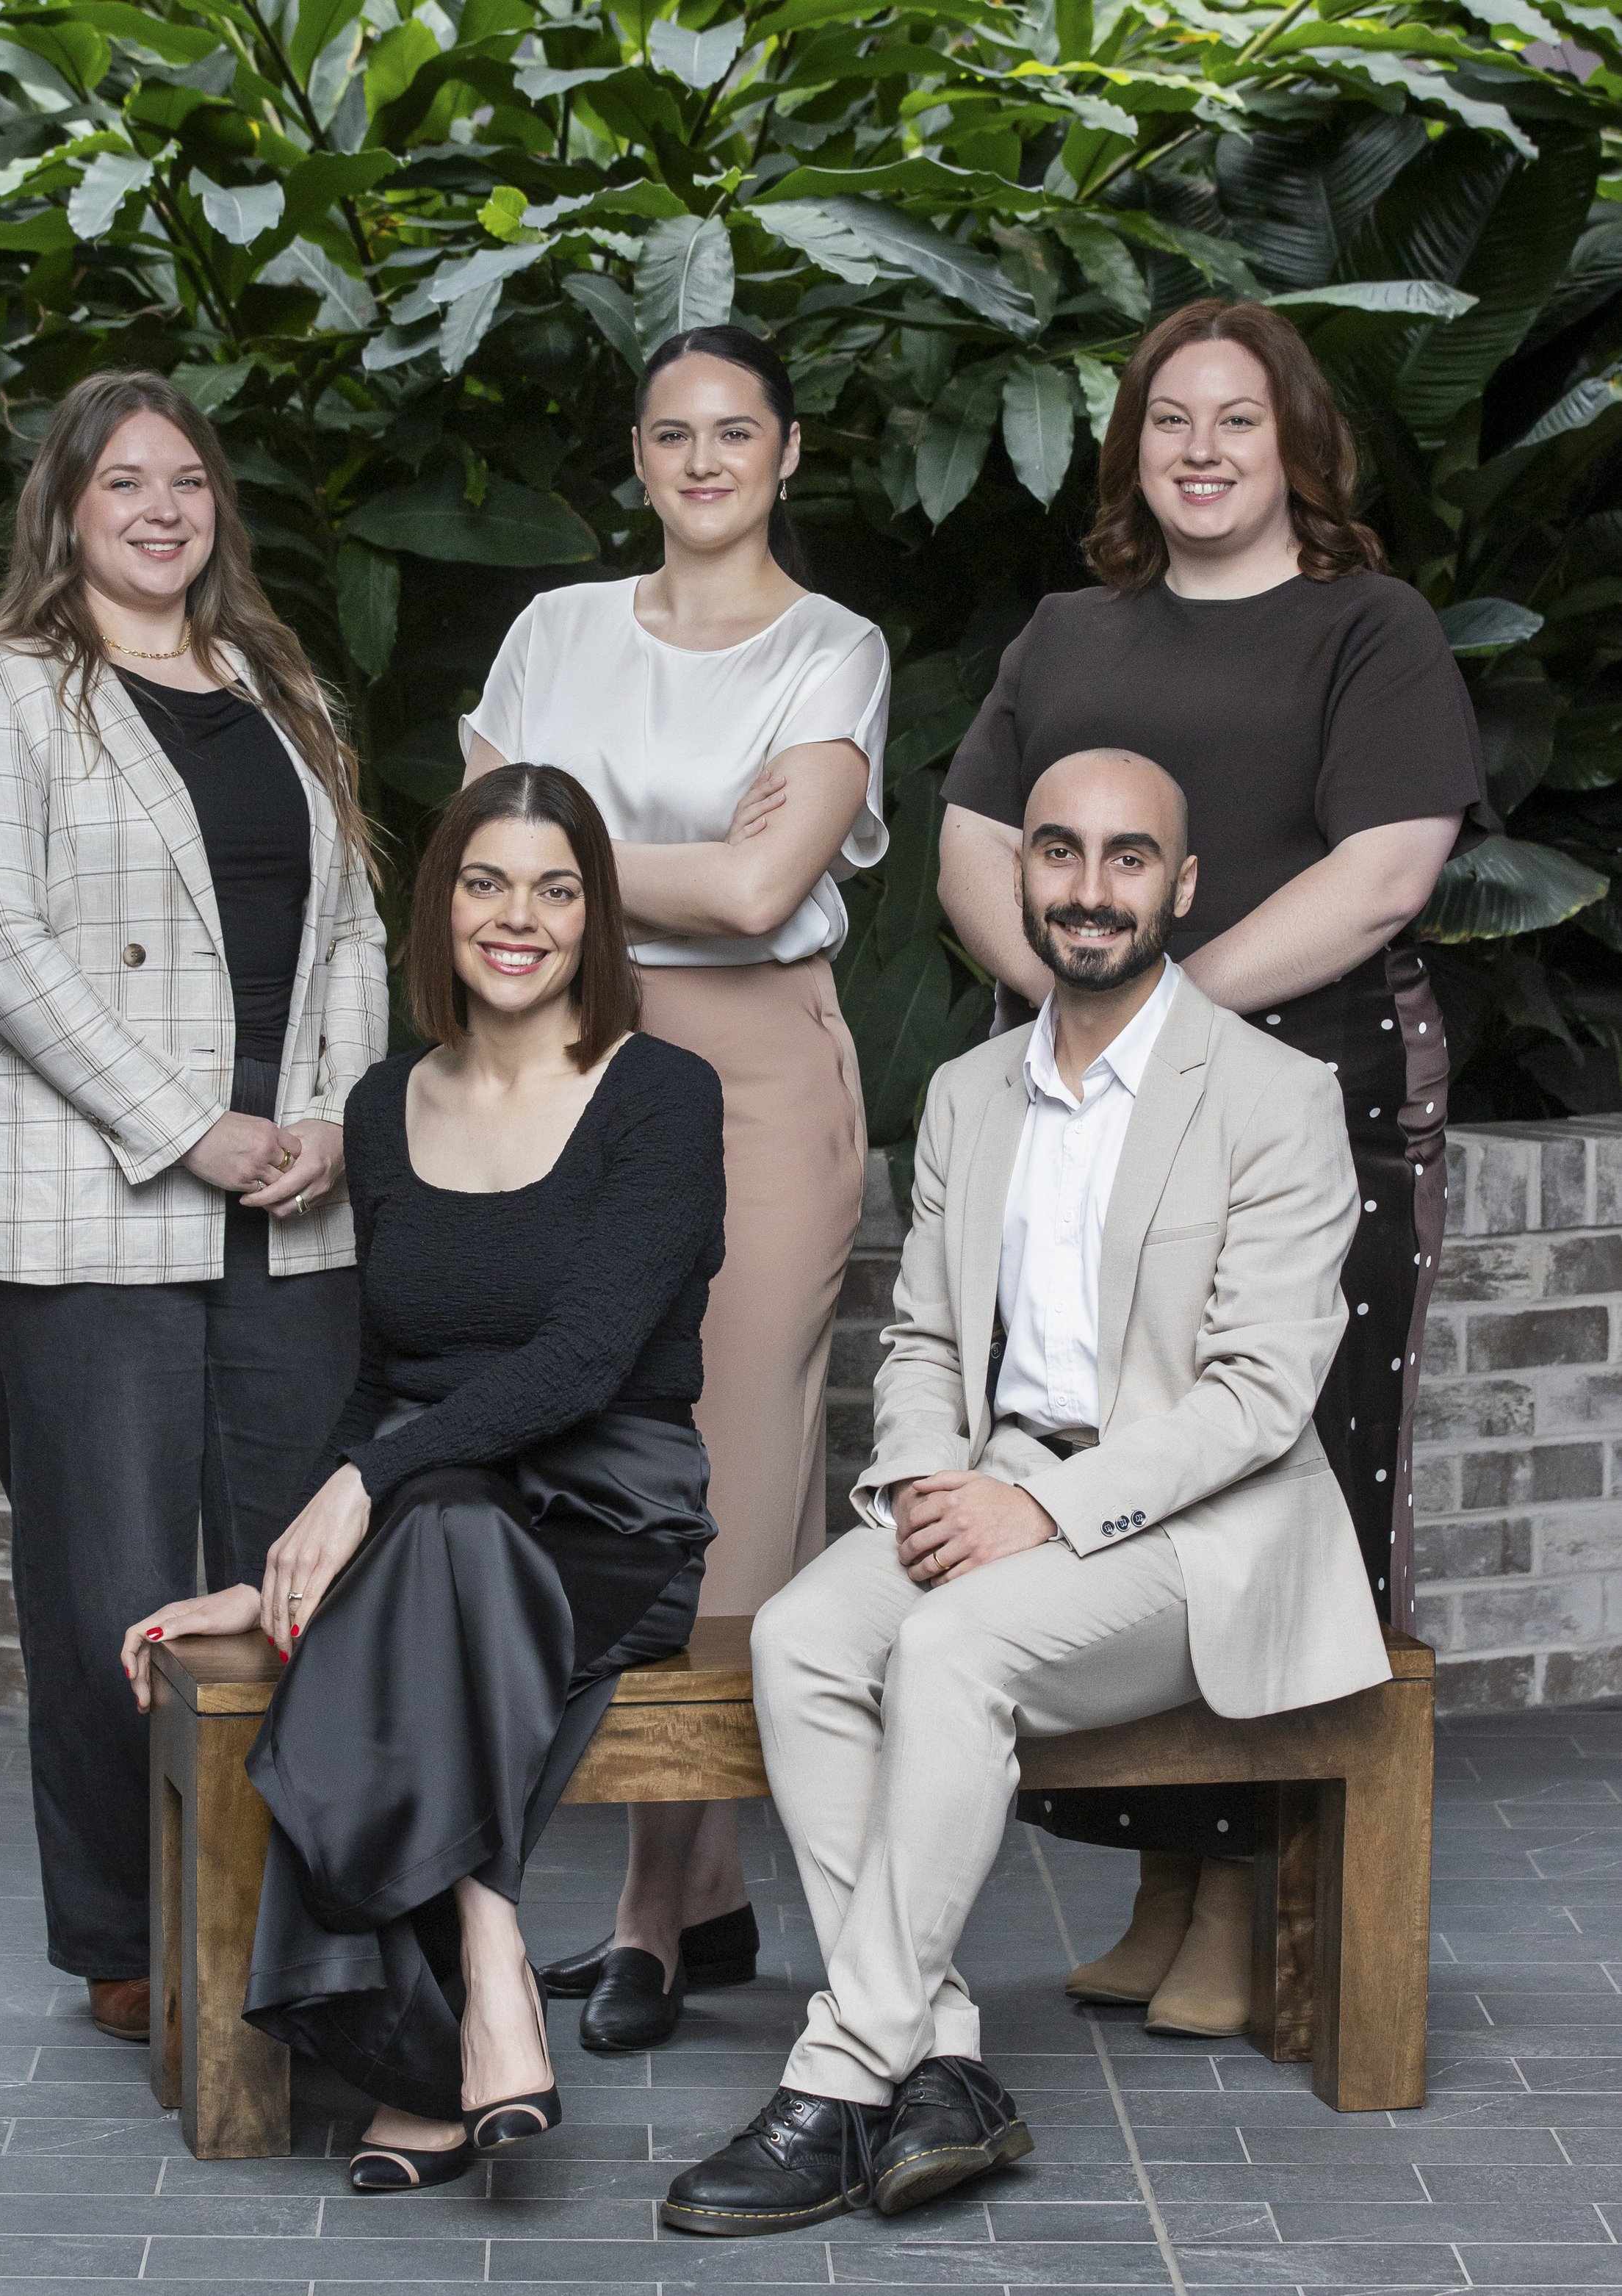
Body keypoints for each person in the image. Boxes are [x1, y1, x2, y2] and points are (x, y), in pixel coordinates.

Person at [663, 746, 1390, 2237]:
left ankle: (843, 2073)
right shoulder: (966, 1091)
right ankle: (939, 2061)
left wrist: (1045, 1516)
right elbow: (925, 1336)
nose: (1088, 887)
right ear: (1021, 880)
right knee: (805, 1639)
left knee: (950, 1648)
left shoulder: (1271, 1096)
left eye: (1128, 859)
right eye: (1057, 853)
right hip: (992, 1486)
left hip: (1195, 1536)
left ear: (1178, 889)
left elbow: (1258, 1397)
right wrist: (934, 1480)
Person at [936, 298, 1491, 2034]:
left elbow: (1384, 873)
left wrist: (1155, 1012)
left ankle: (1262, 1900)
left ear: (1292, 445)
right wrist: (1072, 1009)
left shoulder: (1365, 628)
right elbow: (969, 846)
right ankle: (1168, 1873)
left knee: (1268, 1486)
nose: (1196, 449)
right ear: (1130, 452)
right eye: (1165, 420)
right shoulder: (1064, 634)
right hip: (1087, 1119)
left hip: (1299, 1101)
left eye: (1233, 420)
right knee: (1115, 1469)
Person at [120, 765, 724, 2187]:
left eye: (555, 888)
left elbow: (583, 1363)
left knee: (430, 1532)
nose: (517, 917)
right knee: (437, 1533)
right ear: (440, 905)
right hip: (439, 1513)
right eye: (485, 881)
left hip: (610, 1510)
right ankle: (491, 1969)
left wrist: (366, 1489)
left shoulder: (659, 1094)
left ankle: (438, 2020)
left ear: (595, 918)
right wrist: (279, 1555)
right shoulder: (387, 1104)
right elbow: (389, 1383)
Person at [0, 370, 387, 2045]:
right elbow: (1, 945)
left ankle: (282, 1918)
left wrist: (331, 1109)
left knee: (292, 1581)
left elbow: (352, 926)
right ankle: (131, 1940)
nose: (162, 510)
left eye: (186, 482)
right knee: (109, 1586)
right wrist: (193, 1128)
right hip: (85, 1202)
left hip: (292, 1205)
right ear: (68, 508)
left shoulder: (279, 683)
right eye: (125, 483)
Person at [460, 325, 890, 2048]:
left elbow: (763, 885)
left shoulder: (833, 647)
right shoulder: (552, 629)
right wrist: (670, 861)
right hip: (564, 1069)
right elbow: (479, 862)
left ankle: (649, 1908)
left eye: (735, 433)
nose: (701, 461)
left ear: (787, 454)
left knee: (734, 1457)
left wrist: (553, 842)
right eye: (668, 434)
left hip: (758, 1071)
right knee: (594, 1443)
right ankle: (702, 1898)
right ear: (635, 458)